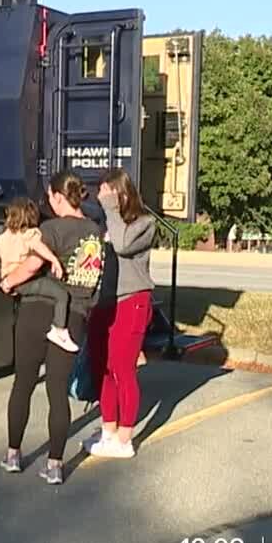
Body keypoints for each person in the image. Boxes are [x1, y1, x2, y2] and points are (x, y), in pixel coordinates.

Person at [0, 170, 106, 484]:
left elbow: (32, 265)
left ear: (59, 197)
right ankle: (55, 465)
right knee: (58, 392)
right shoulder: (94, 232)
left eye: (50, 197)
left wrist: (7, 281)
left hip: (36, 313)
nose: (48, 202)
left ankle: (13, 455)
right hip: (74, 316)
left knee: (24, 384)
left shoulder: (50, 228)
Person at [83, 168, 156, 459]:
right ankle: (108, 430)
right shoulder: (104, 224)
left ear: (123, 193)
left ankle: (125, 438)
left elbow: (124, 245)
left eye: (109, 193)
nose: (104, 199)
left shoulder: (145, 223)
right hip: (104, 302)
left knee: (123, 369)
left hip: (132, 300)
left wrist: (112, 209)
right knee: (103, 368)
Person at [0, 196, 77, 352]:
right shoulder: (30, 234)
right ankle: (59, 330)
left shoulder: (2, 238)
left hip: (9, 278)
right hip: (24, 281)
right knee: (61, 295)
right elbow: (39, 247)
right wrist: (54, 260)